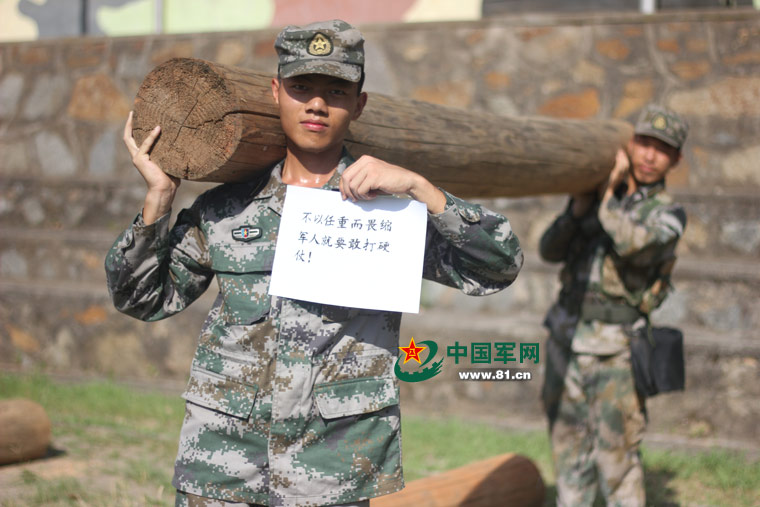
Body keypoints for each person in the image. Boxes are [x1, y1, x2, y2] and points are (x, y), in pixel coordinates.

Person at [106, 20, 523, 507]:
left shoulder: (388, 214)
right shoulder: (225, 209)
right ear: (276, 92)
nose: (317, 104)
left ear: (359, 104)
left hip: (331, 469)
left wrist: (421, 189)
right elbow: (142, 299)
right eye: (301, 87)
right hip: (223, 464)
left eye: (336, 90)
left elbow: (498, 266)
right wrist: (159, 197)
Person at [539, 104, 688, 506]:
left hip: (615, 350)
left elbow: (631, 243)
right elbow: (548, 250)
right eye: (644, 143)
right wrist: (576, 211)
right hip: (566, 338)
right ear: (630, 144)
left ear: (676, 159)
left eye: (662, 149)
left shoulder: (668, 214)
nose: (649, 156)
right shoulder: (594, 199)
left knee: (616, 456)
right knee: (568, 446)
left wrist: (606, 197)